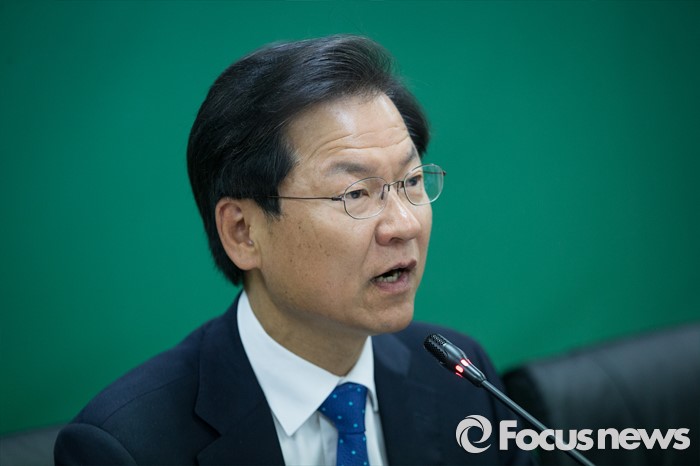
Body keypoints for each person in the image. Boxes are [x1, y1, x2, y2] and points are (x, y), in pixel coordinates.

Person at [54, 35, 532, 465]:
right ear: (243, 232)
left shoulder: (461, 380)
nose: (403, 225)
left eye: (410, 181)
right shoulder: (127, 446)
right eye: (356, 194)